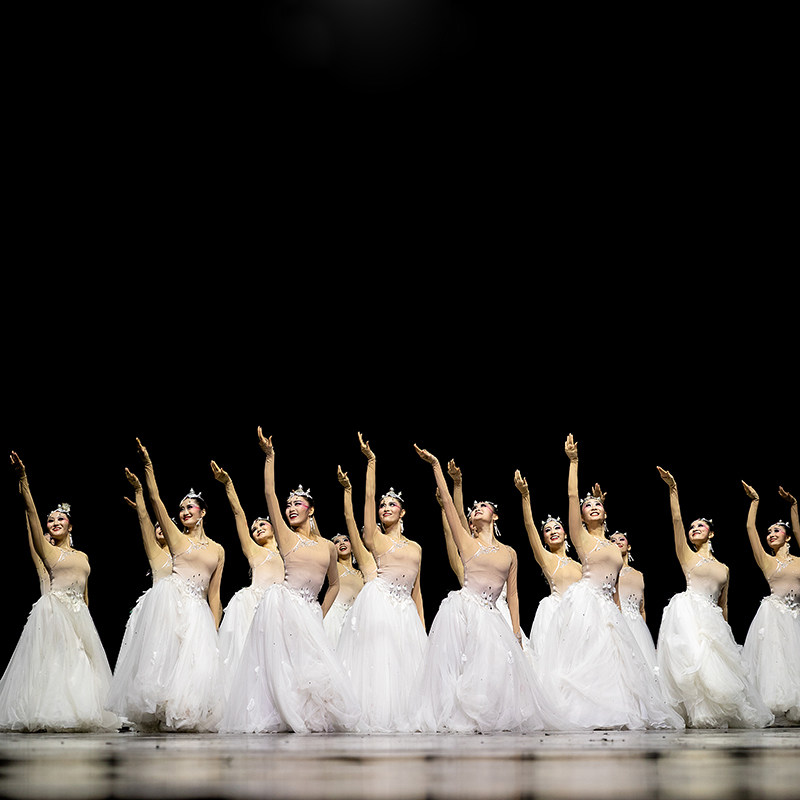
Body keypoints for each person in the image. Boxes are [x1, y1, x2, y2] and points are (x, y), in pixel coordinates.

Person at [220, 429, 360, 734]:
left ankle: (304, 714)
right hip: (283, 605)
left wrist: (319, 612)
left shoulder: (328, 546)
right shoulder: (285, 536)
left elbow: (334, 585)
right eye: (289, 504)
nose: (291, 507)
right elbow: (269, 494)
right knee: (282, 666)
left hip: (309, 610)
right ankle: (280, 714)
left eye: (298, 503)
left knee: (310, 667)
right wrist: (270, 457)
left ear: (311, 509)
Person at [413, 444, 557, 733]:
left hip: (492, 616)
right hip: (463, 610)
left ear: (496, 516)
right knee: (463, 667)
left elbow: (513, 594)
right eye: (474, 507)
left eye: (484, 505)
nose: (477, 507)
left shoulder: (510, 553)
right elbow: (450, 508)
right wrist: (436, 467)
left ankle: (487, 717)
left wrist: (516, 632)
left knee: (493, 668)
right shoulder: (467, 543)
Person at [547, 435, 683, 731]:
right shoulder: (581, 538)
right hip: (586, 603)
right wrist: (574, 462)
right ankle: (585, 714)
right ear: (581, 516)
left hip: (610, 607)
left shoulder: (613, 546)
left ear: (606, 512)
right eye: (587, 506)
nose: (592, 506)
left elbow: (617, 585)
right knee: (588, 658)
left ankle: (614, 712)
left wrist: (619, 614)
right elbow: (572, 496)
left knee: (614, 662)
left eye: (598, 504)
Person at [0, 452, 118, 732]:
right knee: (60, 661)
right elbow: (31, 516)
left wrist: (86, 618)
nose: (55, 522)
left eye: (60, 518)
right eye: (51, 519)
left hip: (80, 615)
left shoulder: (83, 556)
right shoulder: (48, 553)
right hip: (56, 613)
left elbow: (86, 592)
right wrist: (23, 480)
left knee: (82, 663)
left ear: (70, 525)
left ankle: (82, 712)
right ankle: (56, 712)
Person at [117, 439, 226, 732]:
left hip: (199, 612)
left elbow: (215, 594)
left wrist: (215, 629)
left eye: (190, 507)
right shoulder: (177, 539)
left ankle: (185, 713)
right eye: (181, 508)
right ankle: (161, 714)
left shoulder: (218, 549)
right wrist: (148, 467)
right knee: (167, 661)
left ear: (203, 512)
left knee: (194, 668)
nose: (184, 511)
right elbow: (155, 503)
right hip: (173, 603)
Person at [655, 466, 772, 729]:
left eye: (701, 525)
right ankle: (696, 712)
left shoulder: (724, 569)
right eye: (692, 527)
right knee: (694, 660)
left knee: (715, 667)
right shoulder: (687, 556)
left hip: (712, 620)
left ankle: (714, 713)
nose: (694, 528)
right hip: (688, 614)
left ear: (712, 533)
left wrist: (726, 635)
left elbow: (723, 604)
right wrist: (673, 489)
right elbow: (677, 521)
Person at [335, 433, 427, 733]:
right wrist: (371, 463)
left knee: (405, 665)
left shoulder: (416, 548)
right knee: (381, 663)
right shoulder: (376, 539)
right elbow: (367, 501)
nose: (385, 507)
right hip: (380, 604)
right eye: (382, 504)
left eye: (392, 504)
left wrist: (422, 628)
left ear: (403, 511)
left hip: (406, 612)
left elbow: (417, 591)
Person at [106, 467, 176, 724]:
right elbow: (145, 522)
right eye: (157, 527)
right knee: (148, 655)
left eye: (165, 526)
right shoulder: (155, 553)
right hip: (155, 607)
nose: (160, 529)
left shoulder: (181, 553)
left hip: (178, 607)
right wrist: (139, 498)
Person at [211, 460, 284, 701]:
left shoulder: (288, 552)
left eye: (262, 523)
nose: (257, 528)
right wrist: (228, 485)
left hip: (282, 608)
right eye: (254, 528)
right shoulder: (254, 551)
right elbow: (239, 515)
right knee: (251, 659)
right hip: (253, 607)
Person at [741, 481, 799, 725]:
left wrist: (794, 506)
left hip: (796, 616)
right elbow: (750, 528)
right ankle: (776, 711)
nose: (771, 534)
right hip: (774, 616)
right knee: (777, 663)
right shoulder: (767, 561)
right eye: (769, 532)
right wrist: (755, 502)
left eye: (777, 530)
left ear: (788, 537)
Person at [514, 469, 581, 671]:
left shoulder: (580, 565)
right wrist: (525, 496)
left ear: (566, 533)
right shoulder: (546, 559)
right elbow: (529, 525)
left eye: (557, 528)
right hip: (555, 617)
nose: (552, 532)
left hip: (580, 617)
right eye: (547, 530)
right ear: (543, 538)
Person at [321, 466, 377, 646]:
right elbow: (317, 537)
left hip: (356, 623)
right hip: (334, 620)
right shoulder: (334, 566)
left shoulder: (362, 573)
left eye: (345, 540)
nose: (341, 543)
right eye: (336, 542)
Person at [608, 530, 658, 673]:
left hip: (638, 629)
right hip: (617, 625)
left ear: (628, 546)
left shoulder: (639, 575)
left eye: (621, 539)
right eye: (612, 541)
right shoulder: (608, 572)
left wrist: (645, 636)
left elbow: (642, 609)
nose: (617, 542)